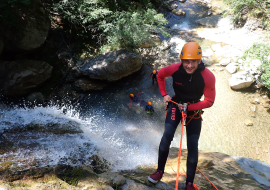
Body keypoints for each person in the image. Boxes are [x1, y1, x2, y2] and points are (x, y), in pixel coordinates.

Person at [147, 42, 216, 190]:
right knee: (167, 135)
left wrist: (189, 107)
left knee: (192, 145)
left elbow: (209, 101)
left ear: (199, 60)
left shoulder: (208, 77)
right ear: (181, 60)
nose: (189, 65)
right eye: (186, 61)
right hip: (176, 103)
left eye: (193, 62)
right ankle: (159, 171)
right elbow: (159, 75)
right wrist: (164, 94)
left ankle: (189, 183)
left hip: (194, 108)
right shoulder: (175, 69)